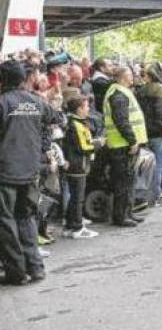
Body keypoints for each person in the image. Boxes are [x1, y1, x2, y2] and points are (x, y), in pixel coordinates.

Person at [0, 61, 51, 285]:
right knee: (27, 218)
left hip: (6, 172)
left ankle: (16, 272)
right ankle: (36, 267)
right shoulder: (37, 102)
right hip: (31, 172)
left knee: (6, 222)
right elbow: (53, 122)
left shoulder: (3, 102)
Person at [103, 66, 148, 227]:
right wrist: (132, 140)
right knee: (123, 182)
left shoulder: (121, 92)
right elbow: (121, 120)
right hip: (122, 144)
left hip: (124, 143)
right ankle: (121, 216)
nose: (133, 77)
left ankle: (128, 212)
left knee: (129, 180)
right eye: (130, 75)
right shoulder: (118, 94)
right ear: (123, 77)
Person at [61, 94, 100, 239]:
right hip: (78, 164)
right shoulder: (76, 124)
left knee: (74, 197)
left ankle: (70, 225)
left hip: (76, 163)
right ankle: (77, 228)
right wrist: (98, 143)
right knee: (78, 197)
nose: (88, 108)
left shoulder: (76, 122)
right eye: (86, 106)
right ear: (79, 108)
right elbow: (84, 147)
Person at [137, 63, 162, 206]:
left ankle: (147, 195)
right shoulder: (161, 90)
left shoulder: (141, 90)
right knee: (158, 166)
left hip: (146, 132)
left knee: (148, 166)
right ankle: (155, 195)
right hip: (160, 134)